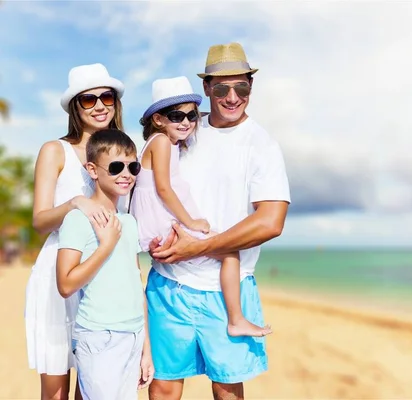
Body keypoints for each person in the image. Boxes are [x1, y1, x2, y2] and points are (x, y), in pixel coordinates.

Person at [146, 42, 291, 400]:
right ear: (206, 88)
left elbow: (271, 221)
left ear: (250, 89)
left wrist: (197, 246)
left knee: (227, 387)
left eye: (241, 87)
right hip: (169, 284)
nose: (232, 96)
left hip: (226, 290)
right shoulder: (182, 131)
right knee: (163, 386)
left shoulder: (261, 145)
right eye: (222, 87)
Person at [130, 76, 272, 338]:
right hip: (163, 219)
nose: (185, 122)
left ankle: (234, 318)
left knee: (225, 251)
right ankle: (236, 319)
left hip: (159, 218)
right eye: (176, 116)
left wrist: (208, 115)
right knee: (229, 253)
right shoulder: (161, 143)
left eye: (191, 116)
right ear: (158, 120)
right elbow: (163, 188)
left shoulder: (167, 140)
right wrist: (191, 221)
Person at [24, 63, 127, 400]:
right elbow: (40, 221)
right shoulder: (55, 150)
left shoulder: (121, 152)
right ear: (74, 106)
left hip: (104, 271)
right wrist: (74, 203)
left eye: (106, 97)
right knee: (56, 391)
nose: (99, 105)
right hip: (59, 273)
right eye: (88, 99)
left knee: (94, 385)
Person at [56, 128, 154, 399]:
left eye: (133, 166)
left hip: (133, 335)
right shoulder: (77, 219)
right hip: (100, 337)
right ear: (93, 169)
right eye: (115, 166)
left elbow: (137, 284)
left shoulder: (129, 222)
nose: (126, 174)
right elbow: (65, 284)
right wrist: (106, 246)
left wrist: (146, 349)